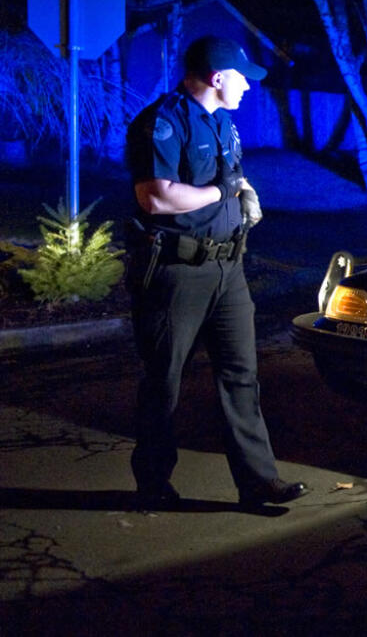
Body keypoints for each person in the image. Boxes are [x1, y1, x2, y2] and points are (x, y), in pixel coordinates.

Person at [124, 35, 307, 511]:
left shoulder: (224, 124)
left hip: (229, 267)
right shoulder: (162, 122)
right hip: (178, 271)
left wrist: (245, 193)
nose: (249, 87)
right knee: (165, 380)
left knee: (241, 376)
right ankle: (153, 482)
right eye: (243, 77)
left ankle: (258, 483)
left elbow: (231, 176)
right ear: (218, 77)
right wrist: (223, 194)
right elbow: (157, 197)